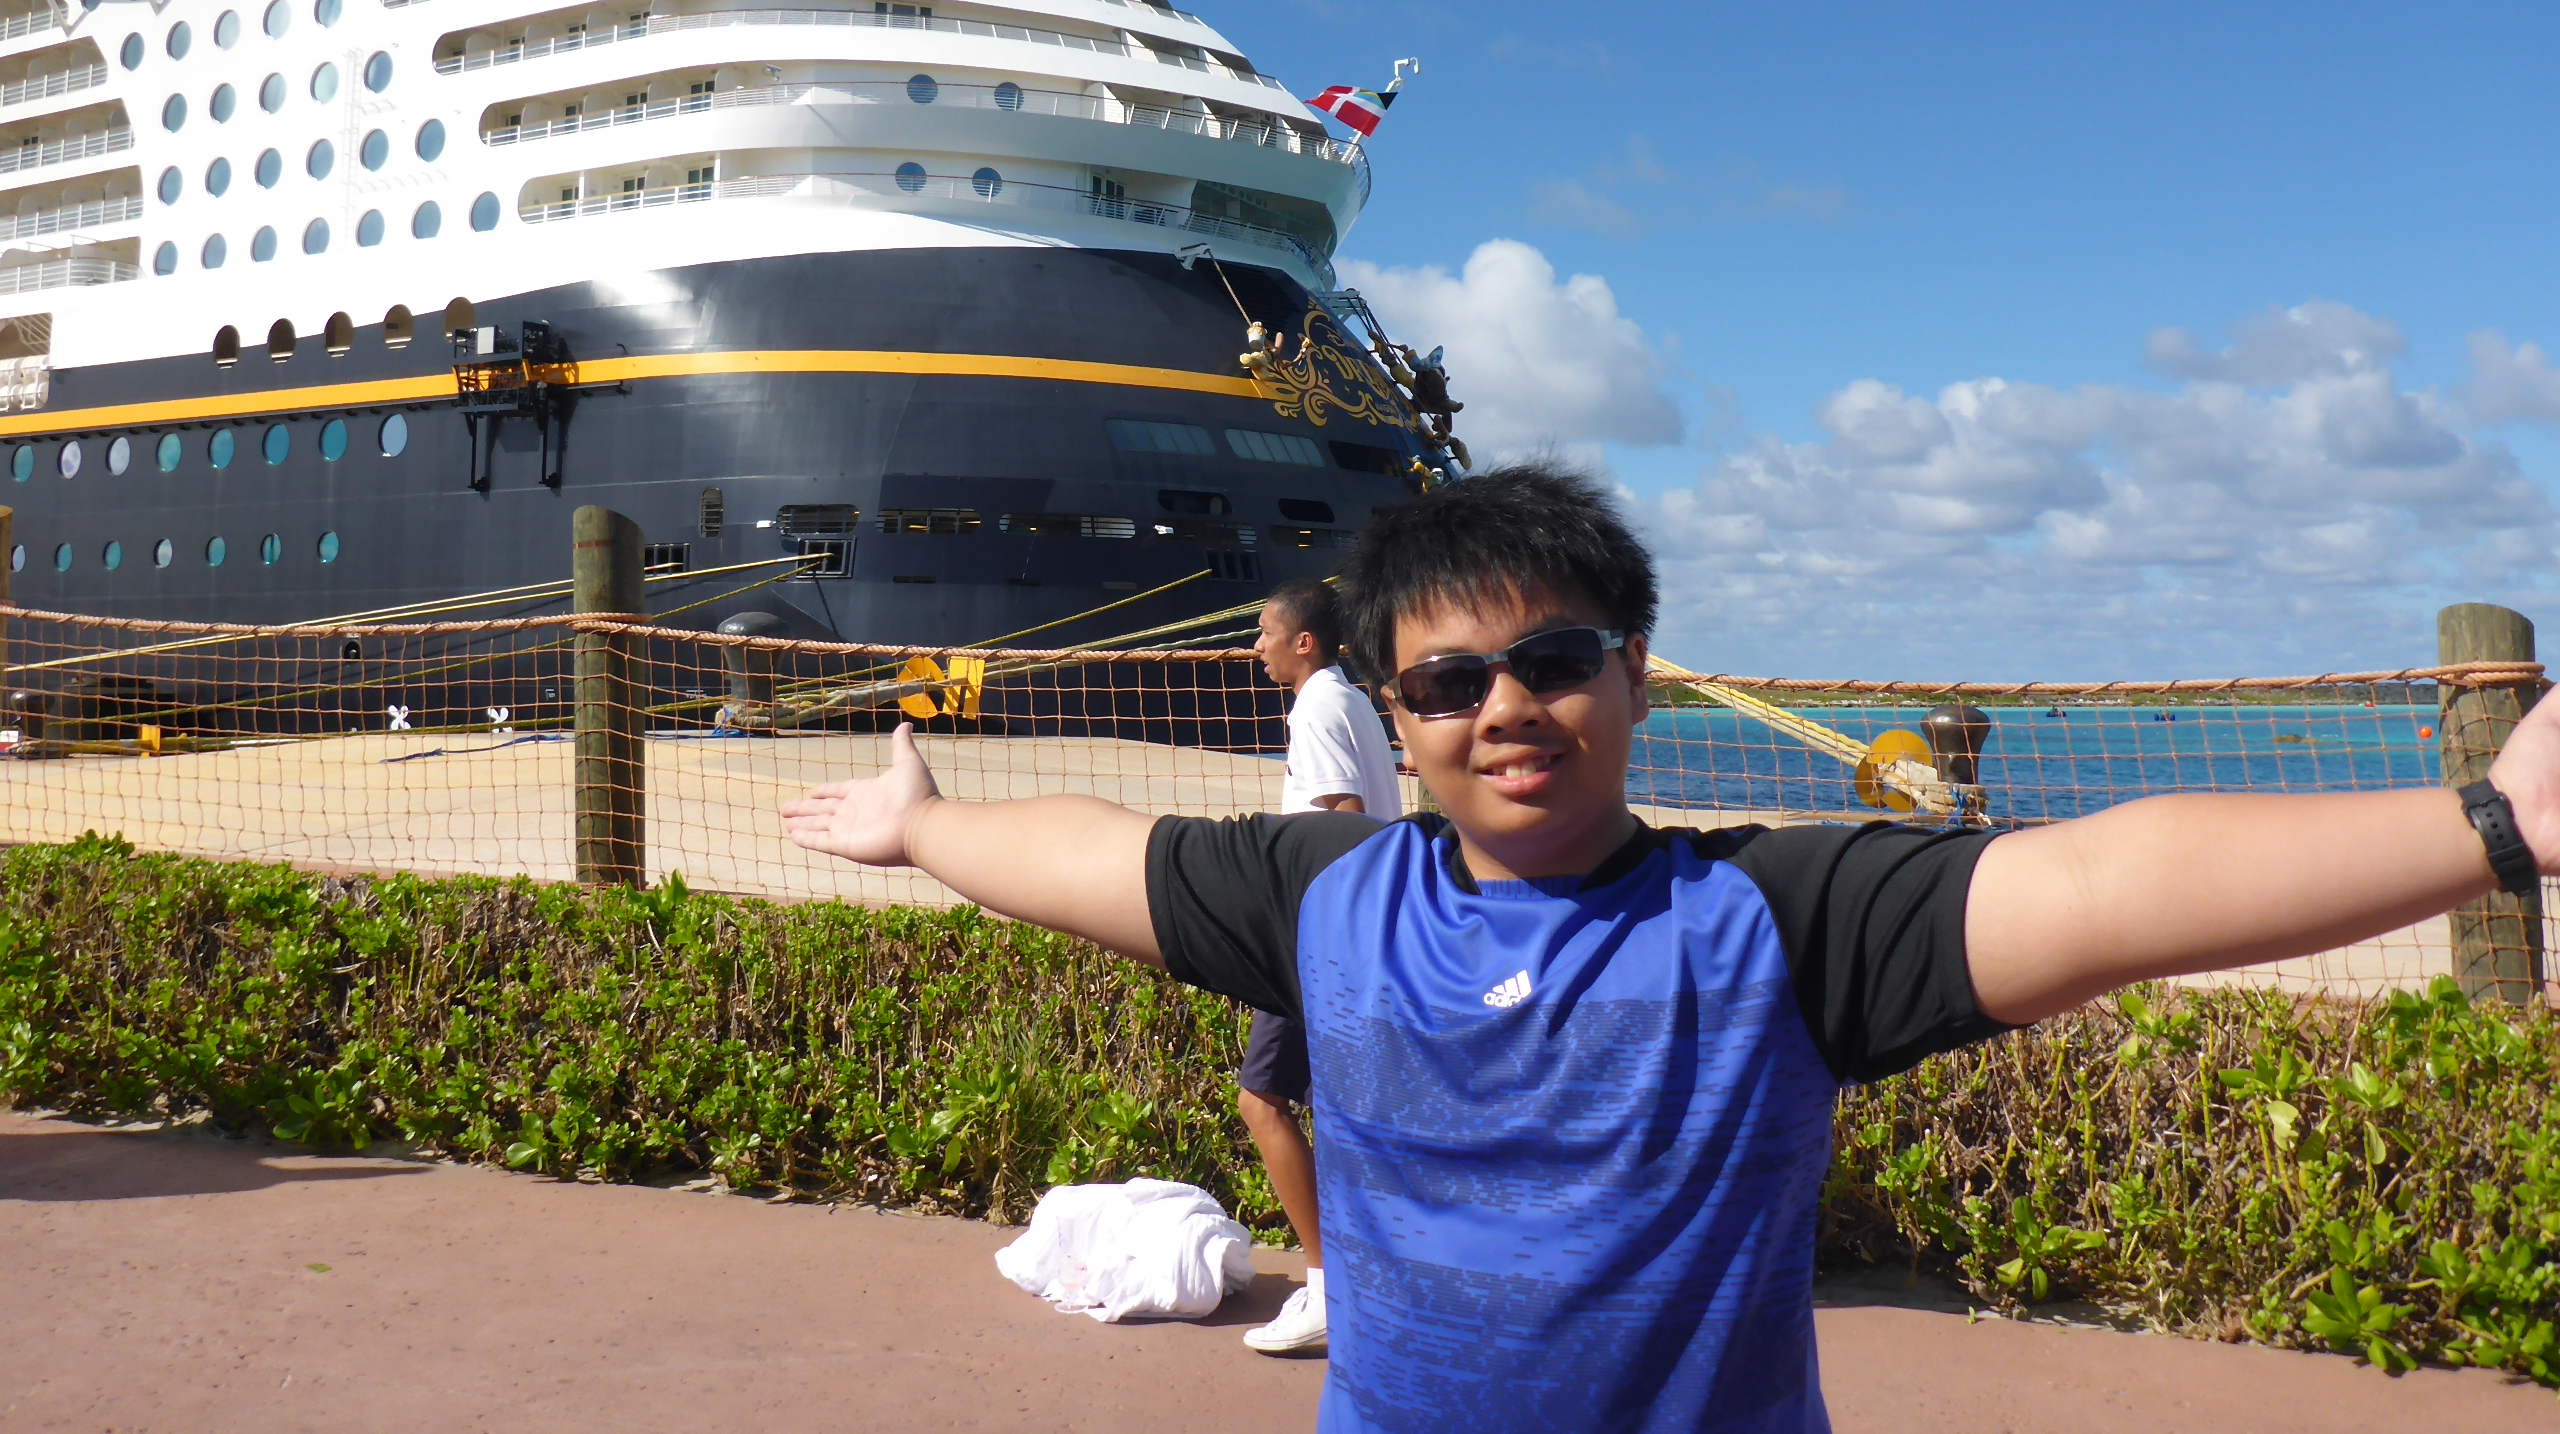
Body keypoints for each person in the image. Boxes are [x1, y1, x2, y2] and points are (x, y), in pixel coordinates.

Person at [783, 463, 2560, 1434]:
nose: (1506, 708)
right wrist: (922, 826)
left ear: (1636, 675)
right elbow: (1105, 856)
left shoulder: (1773, 918)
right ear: (1396, 716)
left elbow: (2111, 888)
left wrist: (2493, 824)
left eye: (1555, 660)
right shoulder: (1332, 899)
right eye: (1449, 681)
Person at [1237, 579, 1400, 1356]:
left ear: (1303, 642)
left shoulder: (1317, 709)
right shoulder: (1351, 701)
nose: (1256, 647)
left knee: (1261, 1099)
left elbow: (1344, 826)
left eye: (1265, 633)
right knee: (1341, 1114)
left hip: (1324, 936)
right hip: (1357, 931)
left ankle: (1328, 1288)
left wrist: (1315, 937)